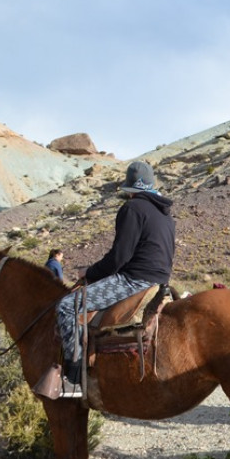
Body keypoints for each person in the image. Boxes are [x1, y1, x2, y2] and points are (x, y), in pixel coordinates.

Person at [54, 161, 175, 396]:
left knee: (67, 307)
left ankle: (74, 380)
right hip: (160, 281)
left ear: (130, 189)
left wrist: (89, 273)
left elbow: (119, 257)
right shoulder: (165, 214)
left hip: (133, 280)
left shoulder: (133, 209)